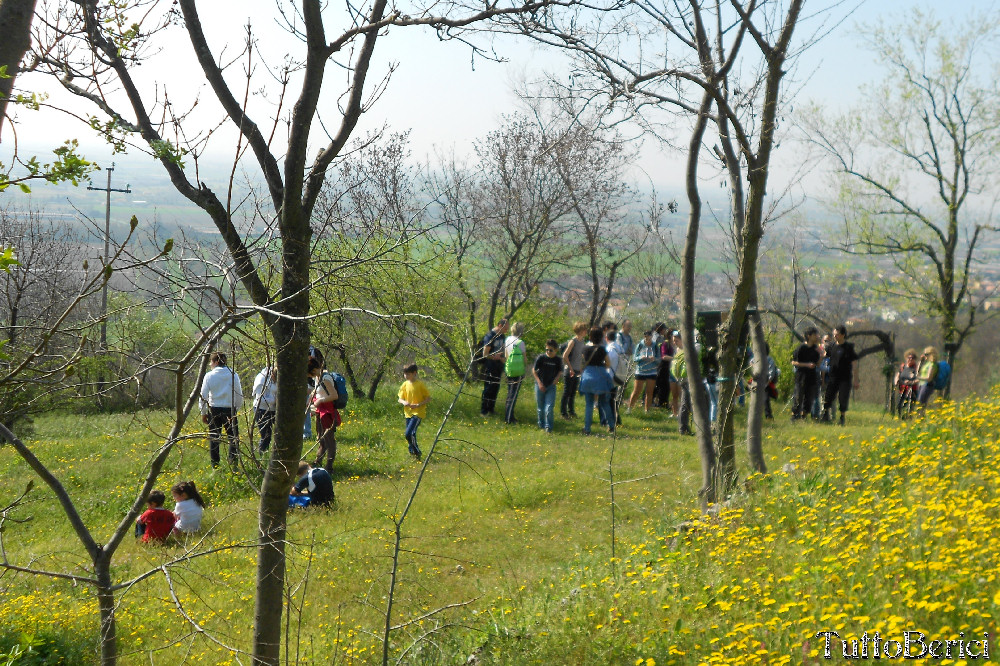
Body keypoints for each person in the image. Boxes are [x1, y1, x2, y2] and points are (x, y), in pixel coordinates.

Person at [200, 352, 243, 468]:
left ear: (216, 362)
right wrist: (235, 409)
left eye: (211, 362)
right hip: (230, 409)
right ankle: (233, 463)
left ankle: (215, 465)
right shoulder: (234, 375)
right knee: (233, 438)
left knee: (214, 438)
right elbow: (239, 395)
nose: (210, 364)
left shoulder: (209, 376)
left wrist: (203, 413)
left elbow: (203, 396)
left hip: (214, 409)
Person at [578, 327, 614, 435]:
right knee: (604, 403)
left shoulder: (585, 349)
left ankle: (587, 429)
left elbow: (582, 363)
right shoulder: (602, 350)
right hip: (600, 377)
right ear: (601, 337)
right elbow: (608, 364)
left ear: (590, 337)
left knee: (589, 404)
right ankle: (611, 426)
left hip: (588, 377)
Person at [821, 325, 859, 426]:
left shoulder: (849, 347)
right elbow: (825, 355)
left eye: (836, 335)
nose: (834, 337)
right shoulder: (831, 346)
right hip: (833, 376)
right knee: (828, 396)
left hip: (845, 378)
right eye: (834, 335)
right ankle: (825, 415)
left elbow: (854, 364)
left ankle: (842, 418)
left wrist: (856, 380)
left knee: (843, 398)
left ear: (843, 335)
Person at [308, 358, 339, 472]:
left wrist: (320, 401)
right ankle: (318, 462)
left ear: (316, 369)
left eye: (311, 373)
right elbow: (318, 391)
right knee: (321, 437)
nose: (310, 376)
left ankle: (329, 466)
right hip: (319, 411)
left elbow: (334, 396)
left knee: (329, 439)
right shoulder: (317, 378)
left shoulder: (325, 378)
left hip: (328, 412)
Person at [397, 363, 431, 459]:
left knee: (408, 434)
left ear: (414, 373)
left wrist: (418, 405)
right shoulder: (404, 384)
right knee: (412, 434)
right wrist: (404, 402)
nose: (406, 376)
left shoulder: (420, 385)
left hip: (418, 413)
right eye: (405, 374)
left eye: (408, 374)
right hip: (408, 413)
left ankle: (416, 451)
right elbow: (399, 398)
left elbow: (428, 398)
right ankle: (412, 453)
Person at [532, 339, 563, 433]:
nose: (548, 352)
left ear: (556, 350)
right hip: (540, 385)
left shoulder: (558, 360)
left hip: (551, 386)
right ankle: (541, 424)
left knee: (549, 408)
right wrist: (539, 383)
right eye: (547, 350)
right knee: (540, 408)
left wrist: (556, 379)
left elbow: (560, 371)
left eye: (551, 350)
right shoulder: (541, 358)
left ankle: (548, 427)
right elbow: (534, 370)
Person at [791, 327, 821, 421]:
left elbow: (817, 364)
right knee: (798, 397)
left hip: (812, 377)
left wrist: (822, 356)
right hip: (801, 377)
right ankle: (794, 417)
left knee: (809, 398)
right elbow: (793, 362)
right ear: (809, 336)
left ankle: (803, 417)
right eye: (815, 335)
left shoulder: (816, 348)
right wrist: (807, 364)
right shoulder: (801, 348)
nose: (817, 337)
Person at [480, 319, 508, 416]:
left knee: (496, 387)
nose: (506, 330)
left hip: (498, 366)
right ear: (500, 325)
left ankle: (491, 409)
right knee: (489, 388)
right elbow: (485, 354)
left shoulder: (502, 336)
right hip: (490, 366)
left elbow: (504, 349)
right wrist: (494, 356)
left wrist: (503, 358)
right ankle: (484, 411)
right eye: (505, 328)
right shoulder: (490, 336)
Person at [560, 321, 589, 419]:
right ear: (580, 330)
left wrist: (580, 367)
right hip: (569, 370)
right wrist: (571, 368)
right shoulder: (573, 341)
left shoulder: (582, 341)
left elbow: (580, 356)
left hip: (577, 370)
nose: (586, 331)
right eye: (584, 329)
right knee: (567, 392)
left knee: (572, 393)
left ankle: (571, 411)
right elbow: (565, 356)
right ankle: (563, 413)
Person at [629, 330, 660, 413]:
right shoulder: (640, 345)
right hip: (640, 371)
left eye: (649, 337)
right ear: (644, 337)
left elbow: (659, 359)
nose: (647, 339)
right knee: (636, 391)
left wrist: (654, 359)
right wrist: (640, 358)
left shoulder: (655, 346)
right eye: (646, 337)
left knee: (649, 392)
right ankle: (630, 408)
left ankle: (647, 410)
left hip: (652, 371)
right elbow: (634, 358)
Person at [503, 322, 527, 424]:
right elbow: (524, 359)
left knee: (510, 393)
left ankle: (509, 415)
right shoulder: (520, 343)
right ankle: (509, 418)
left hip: (509, 369)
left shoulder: (508, 339)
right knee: (514, 395)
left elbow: (506, 355)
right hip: (518, 371)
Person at [671, 332, 692, 435]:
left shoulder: (679, 350)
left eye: (676, 340)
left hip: (682, 379)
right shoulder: (684, 350)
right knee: (685, 403)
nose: (674, 343)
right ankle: (683, 428)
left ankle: (685, 427)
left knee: (686, 403)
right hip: (686, 380)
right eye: (674, 341)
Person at [252, 365, 277, 452]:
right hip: (261, 410)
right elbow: (260, 399)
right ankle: (262, 455)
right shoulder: (262, 379)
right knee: (266, 436)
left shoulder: (277, 379)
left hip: (274, 410)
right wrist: (276, 400)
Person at [605, 329, 626, 426]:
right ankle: (617, 419)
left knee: (608, 400)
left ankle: (612, 420)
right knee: (614, 399)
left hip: (610, 376)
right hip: (619, 375)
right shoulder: (620, 348)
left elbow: (606, 363)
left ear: (606, 338)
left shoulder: (609, 349)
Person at [304, 345, 324, 440]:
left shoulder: (315, 352)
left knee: (307, 409)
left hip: (311, 384)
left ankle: (307, 433)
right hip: (308, 384)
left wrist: (312, 388)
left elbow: (319, 368)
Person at [894, 348, 920, 416]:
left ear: (915, 359)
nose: (910, 359)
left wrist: (912, 382)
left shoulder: (916, 368)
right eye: (909, 357)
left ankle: (909, 418)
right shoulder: (903, 366)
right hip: (902, 389)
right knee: (900, 405)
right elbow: (898, 374)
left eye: (912, 358)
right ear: (906, 358)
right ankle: (900, 418)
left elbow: (919, 378)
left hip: (912, 390)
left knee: (910, 406)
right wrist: (896, 380)